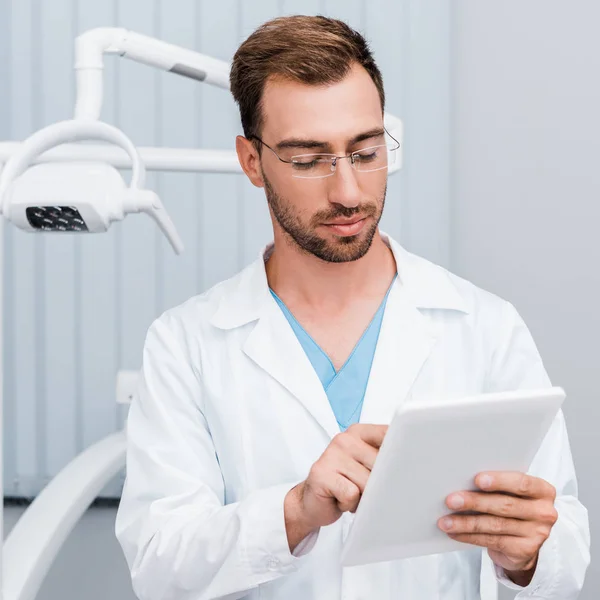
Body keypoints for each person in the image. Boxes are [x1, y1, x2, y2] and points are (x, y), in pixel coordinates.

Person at [115, 15, 590, 600]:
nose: (348, 192)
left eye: (365, 151)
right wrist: (295, 512)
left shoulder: (484, 327)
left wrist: (529, 555)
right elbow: (159, 566)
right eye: (308, 159)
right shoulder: (186, 343)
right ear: (251, 161)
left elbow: (565, 549)